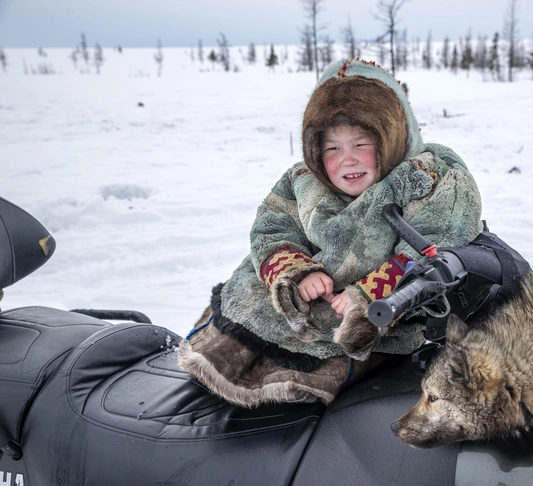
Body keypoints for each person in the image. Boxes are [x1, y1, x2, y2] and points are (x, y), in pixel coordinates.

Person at [178, 58, 484, 407]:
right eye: (333, 148)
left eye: (362, 144)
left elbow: (437, 241)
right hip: (303, 302)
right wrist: (296, 270)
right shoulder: (303, 182)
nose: (348, 159)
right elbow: (272, 228)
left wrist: (369, 295)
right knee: (236, 319)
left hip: (380, 317)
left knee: (333, 358)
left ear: (393, 136)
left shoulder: (425, 178)